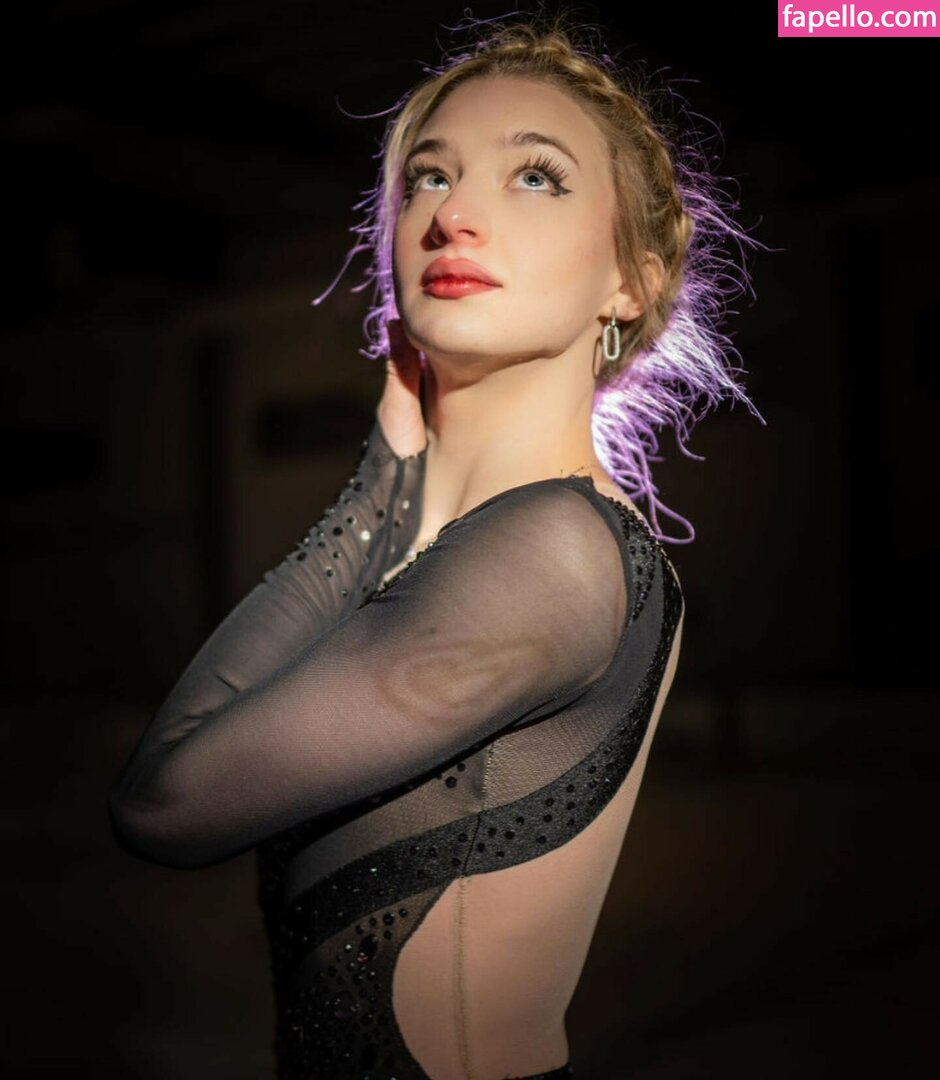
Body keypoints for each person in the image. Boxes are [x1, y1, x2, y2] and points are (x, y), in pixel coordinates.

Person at [109, 13, 761, 1080]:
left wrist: (379, 480)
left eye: (536, 176)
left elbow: (162, 804)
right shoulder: (482, 546)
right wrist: (400, 490)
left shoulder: (552, 554)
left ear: (629, 282)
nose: (452, 213)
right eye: (428, 177)